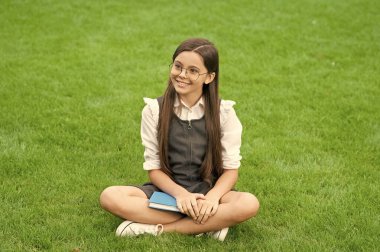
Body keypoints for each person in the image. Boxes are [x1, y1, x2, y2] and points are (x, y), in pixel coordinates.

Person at [99, 38, 259, 241]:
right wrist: (181, 196)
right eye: (178, 66)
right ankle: (209, 224)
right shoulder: (154, 110)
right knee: (110, 196)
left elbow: (230, 171)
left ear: (209, 77)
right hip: (168, 193)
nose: (182, 75)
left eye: (193, 71)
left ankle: (158, 229)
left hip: (209, 191)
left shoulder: (224, 113)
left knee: (248, 203)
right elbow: (154, 169)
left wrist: (211, 198)